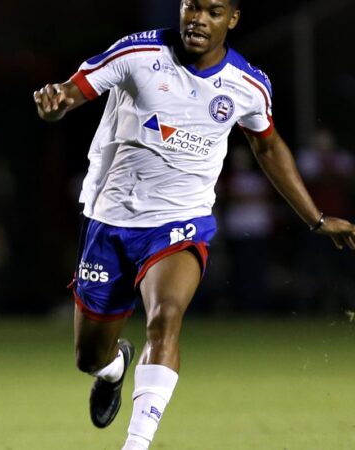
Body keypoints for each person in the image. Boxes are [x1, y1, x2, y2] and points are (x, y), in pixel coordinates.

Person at [33, 1, 355, 449]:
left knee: (165, 318)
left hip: (181, 222)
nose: (198, 19)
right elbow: (72, 91)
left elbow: (268, 147)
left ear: (233, 19)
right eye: (191, 6)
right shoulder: (136, 55)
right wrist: (55, 104)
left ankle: (136, 444)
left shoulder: (247, 85)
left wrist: (315, 219)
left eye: (213, 11)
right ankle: (112, 368)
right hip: (111, 218)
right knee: (89, 357)